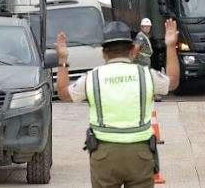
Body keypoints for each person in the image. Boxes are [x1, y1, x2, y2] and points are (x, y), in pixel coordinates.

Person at [55, 20, 180, 188]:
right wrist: (171, 47)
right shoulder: (146, 75)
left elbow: (63, 93)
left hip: (104, 156)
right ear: (132, 50)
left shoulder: (92, 77)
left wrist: (63, 60)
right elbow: (172, 82)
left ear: (103, 53)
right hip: (140, 154)